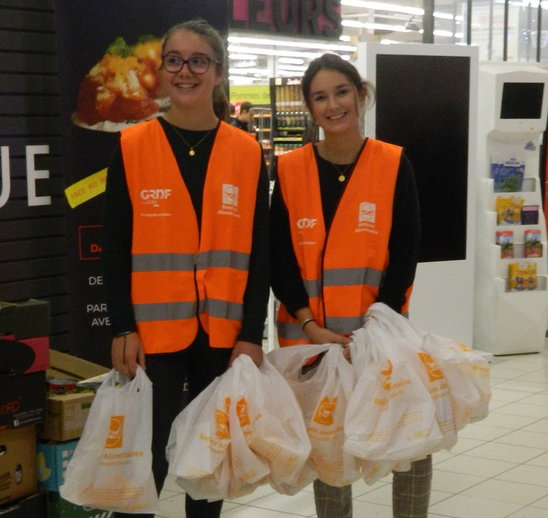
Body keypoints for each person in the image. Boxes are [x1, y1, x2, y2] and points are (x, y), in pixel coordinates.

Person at [102, 19, 270, 518]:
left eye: (199, 61)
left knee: (208, 459)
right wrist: (121, 326)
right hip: (154, 334)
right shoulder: (133, 146)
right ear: (161, 71)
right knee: (145, 459)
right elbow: (114, 247)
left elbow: (258, 252)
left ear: (218, 72)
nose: (185, 71)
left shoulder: (246, 152)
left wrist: (252, 334)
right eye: (174, 60)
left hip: (221, 333)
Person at [270, 53, 430, 518]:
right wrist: (308, 323)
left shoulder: (393, 164)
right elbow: (280, 260)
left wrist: (377, 325)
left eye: (341, 92)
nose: (332, 105)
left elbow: (405, 253)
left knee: (411, 442)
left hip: (378, 335)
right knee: (329, 449)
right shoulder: (289, 169)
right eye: (319, 97)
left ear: (360, 95)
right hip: (312, 340)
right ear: (309, 107)